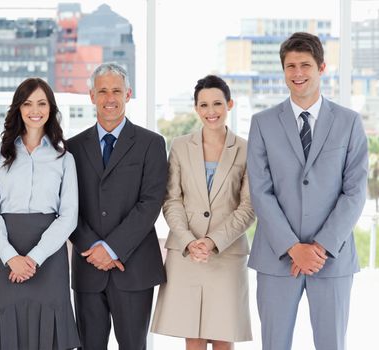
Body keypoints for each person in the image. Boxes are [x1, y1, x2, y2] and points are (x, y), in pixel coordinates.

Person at [247, 32, 368, 350]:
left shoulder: (349, 122)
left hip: (331, 258)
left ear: (322, 68)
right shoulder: (262, 123)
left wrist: (320, 247)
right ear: (283, 70)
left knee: (332, 344)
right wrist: (292, 247)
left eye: (305, 65)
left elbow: (355, 191)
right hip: (276, 258)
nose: (297, 73)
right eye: (290, 66)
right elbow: (260, 190)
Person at [67, 62, 168, 350]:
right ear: (91, 96)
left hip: (133, 268)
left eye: (116, 91)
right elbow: (68, 207)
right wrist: (93, 249)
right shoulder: (72, 147)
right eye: (102, 91)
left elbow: (150, 203)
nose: (109, 98)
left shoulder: (151, 143)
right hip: (88, 268)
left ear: (128, 94)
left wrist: (110, 249)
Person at [151, 75, 255, 350]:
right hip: (187, 255)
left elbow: (248, 207)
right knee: (193, 339)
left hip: (226, 254)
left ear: (229, 104)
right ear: (196, 108)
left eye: (218, 104)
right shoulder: (180, 146)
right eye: (204, 105)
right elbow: (171, 200)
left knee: (224, 337)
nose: (211, 112)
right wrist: (189, 240)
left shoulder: (246, 149)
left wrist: (212, 241)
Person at [0, 77, 80, 350]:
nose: (35, 110)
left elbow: (69, 215)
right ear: (18, 108)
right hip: (5, 254)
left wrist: (34, 258)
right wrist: (11, 257)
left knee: (49, 332)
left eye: (41, 103)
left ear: (50, 108)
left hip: (49, 254)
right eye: (27, 103)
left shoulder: (64, 158)